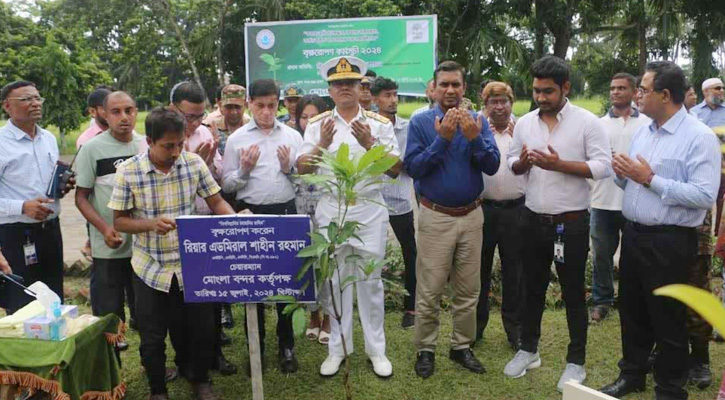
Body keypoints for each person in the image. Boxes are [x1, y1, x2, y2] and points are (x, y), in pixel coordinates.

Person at [599, 61, 720, 400]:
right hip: (635, 234)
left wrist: (649, 179)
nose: (637, 96)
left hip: (670, 240)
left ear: (665, 95)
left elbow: (703, 195)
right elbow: (634, 182)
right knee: (633, 309)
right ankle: (633, 374)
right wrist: (622, 173)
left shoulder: (698, 137)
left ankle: (670, 387)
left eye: (644, 90)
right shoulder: (644, 130)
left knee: (668, 317)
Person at [110, 107, 235, 400]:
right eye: (168, 146)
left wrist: (236, 224)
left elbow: (216, 202)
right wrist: (150, 224)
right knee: (152, 337)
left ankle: (199, 379)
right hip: (150, 268)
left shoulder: (192, 164)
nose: (176, 151)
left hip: (192, 264)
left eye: (180, 144)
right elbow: (119, 221)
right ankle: (158, 389)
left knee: (201, 330)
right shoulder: (128, 171)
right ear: (150, 141)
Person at [504, 56, 612, 392]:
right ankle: (528, 349)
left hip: (572, 223)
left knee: (573, 294)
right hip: (532, 220)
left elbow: (602, 167)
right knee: (531, 289)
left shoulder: (587, 122)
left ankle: (575, 362)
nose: (540, 97)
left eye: (548, 91)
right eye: (536, 91)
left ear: (566, 87)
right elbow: (511, 164)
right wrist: (521, 162)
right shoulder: (524, 123)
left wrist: (558, 164)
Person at [296, 56, 401, 378]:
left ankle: (376, 350)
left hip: (369, 208)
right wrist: (324, 144)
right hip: (333, 208)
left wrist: (369, 143)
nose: (344, 88)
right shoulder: (317, 126)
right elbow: (302, 169)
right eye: (338, 84)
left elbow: (395, 170)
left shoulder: (379, 124)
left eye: (350, 83)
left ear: (361, 87)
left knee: (370, 283)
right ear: (329, 89)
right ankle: (338, 349)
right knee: (335, 281)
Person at [406, 60, 500, 379]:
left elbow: (492, 166)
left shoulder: (477, 121)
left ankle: (461, 346)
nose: (450, 90)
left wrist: (474, 138)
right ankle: (426, 349)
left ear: (464, 87)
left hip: (472, 215)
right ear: (434, 88)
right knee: (430, 289)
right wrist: (442, 139)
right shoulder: (420, 122)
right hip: (436, 217)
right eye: (444, 84)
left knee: (469, 289)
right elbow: (415, 168)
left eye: (455, 84)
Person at [222, 79, 302, 373]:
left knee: (286, 286)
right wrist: (244, 170)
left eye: (272, 105)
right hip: (251, 214)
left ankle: (287, 347)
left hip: (285, 213)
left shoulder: (293, 136)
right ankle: (256, 348)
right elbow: (226, 184)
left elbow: (304, 181)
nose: (266, 112)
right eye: (260, 106)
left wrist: (288, 169)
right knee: (251, 286)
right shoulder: (237, 139)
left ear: (278, 103)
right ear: (249, 105)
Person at [169, 81, 236, 375]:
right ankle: (183, 359)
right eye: (188, 117)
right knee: (179, 302)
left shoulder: (205, 133)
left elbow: (218, 176)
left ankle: (214, 355)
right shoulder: (160, 134)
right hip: (171, 229)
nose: (194, 123)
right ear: (173, 109)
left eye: (199, 116)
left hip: (204, 221)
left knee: (211, 296)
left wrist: (206, 165)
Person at [75, 91, 145, 352]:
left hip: (143, 248)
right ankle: (110, 376)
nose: (124, 117)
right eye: (116, 111)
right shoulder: (91, 149)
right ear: (104, 113)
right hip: (109, 247)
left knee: (147, 316)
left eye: (129, 110)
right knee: (110, 318)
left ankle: (151, 368)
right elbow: (81, 197)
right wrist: (104, 229)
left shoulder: (145, 145)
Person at [0, 80, 74, 313]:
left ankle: (54, 347)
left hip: (50, 230)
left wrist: (61, 187)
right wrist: (23, 206)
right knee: (23, 305)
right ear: (7, 106)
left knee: (53, 297)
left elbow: (46, 184)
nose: (34, 103)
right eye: (26, 99)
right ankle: (26, 349)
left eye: (37, 98)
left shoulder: (48, 139)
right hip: (15, 234)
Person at [589, 73, 651, 323]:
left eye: (622, 88)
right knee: (602, 255)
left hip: (635, 200)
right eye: (613, 88)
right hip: (602, 200)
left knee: (635, 257)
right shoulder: (598, 124)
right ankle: (602, 301)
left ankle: (631, 301)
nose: (615, 92)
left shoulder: (647, 123)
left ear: (635, 92)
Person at [475, 81, 526, 350]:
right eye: (492, 102)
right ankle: (476, 327)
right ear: (485, 105)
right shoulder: (476, 129)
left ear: (511, 102)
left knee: (514, 273)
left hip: (516, 210)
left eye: (503, 101)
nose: (499, 107)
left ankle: (514, 330)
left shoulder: (524, 129)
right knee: (478, 271)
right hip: (482, 210)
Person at [371, 77, 418, 329]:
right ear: (375, 98)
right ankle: (371, 304)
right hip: (372, 201)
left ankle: (411, 307)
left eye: (395, 95)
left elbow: (404, 167)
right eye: (387, 95)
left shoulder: (408, 128)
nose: (393, 100)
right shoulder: (366, 126)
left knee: (411, 252)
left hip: (399, 200)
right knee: (370, 253)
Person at [293, 94, 331, 344]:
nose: (308, 122)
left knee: (328, 264)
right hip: (301, 212)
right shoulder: (294, 139)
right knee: (308, 265)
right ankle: (313, 314)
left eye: (313, 116)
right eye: (303, 117)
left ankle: (328, 316)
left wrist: (324, 142)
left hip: (326, 210)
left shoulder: (332, 139)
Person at [77, 87, 113, 261]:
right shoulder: (87, 141)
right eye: (106, 108)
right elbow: (85, 189)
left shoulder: (131, 137)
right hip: (99, 207)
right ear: (93, 111)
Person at [214, 84, 249, 157]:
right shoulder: (212, 128)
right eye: (229, 107)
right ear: (220, 105)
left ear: (245, 105)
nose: (233, 112)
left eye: (237, 107)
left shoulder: (252, 128)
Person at [76, 85, 114, 149]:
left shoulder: (127, 134)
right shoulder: (86, 140)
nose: (113, 112)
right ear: (93, 111)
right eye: (106, 108)